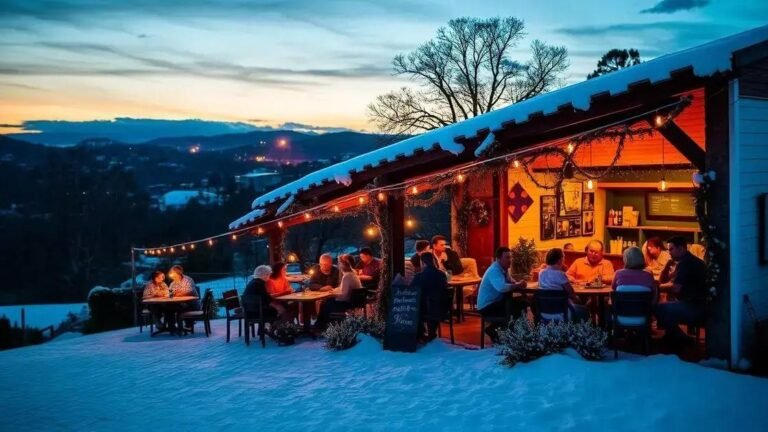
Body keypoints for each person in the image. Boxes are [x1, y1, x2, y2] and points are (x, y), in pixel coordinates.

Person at [656, 236, 708, 347]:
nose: (669, 253)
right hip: (700, 304)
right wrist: (667, 266)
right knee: (666, 305)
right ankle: (673, 337)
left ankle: (681, 338)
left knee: (659, 309)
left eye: (671, 249)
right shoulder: (690, 261)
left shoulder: (686, 263)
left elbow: (676, 288)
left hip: (694, 306)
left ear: (681, 249)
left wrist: (657, 288)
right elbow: (665, 280)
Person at [477, 247, 527, 342]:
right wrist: (517, 285)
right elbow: (502, 287)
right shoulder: (494, 270)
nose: (510, 260)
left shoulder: (503, 269)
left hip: (496, 303)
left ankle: (505, 333)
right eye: (507, 258)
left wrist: (518, 283)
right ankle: (500, 332)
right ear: (498, 259)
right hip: (487, 307)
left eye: (510, 257)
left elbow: (511, 282)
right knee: (517, 306)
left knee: (520, 304)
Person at [538, 248, 589, 322]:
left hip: (544, 312)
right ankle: (581, 332)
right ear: (559, 260)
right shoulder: (560, 275)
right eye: (563, 257)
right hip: (562, 312)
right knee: (584, 310)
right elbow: (572, 293)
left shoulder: (541, 273)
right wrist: (578, 299)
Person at [315, 254, 361, 329]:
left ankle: (322, 327)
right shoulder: (353, 275)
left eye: (339, 263)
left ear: (343, 265)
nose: (338, 265)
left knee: (325, 304)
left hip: (346, 304)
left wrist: (332, 295)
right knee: (327, 302)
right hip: (351, 302)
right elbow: (342, 288)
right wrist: (333, 290)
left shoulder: (347, 276)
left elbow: (344, 295)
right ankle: (324, 326)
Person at [411, 252, 449, 340]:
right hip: (442, 308)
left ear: (422, 263)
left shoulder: (420, 276)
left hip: (427, 309)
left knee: (416, 306)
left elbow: (412, 290)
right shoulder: (441, 274)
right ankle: (431, 333)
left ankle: (420, 334)